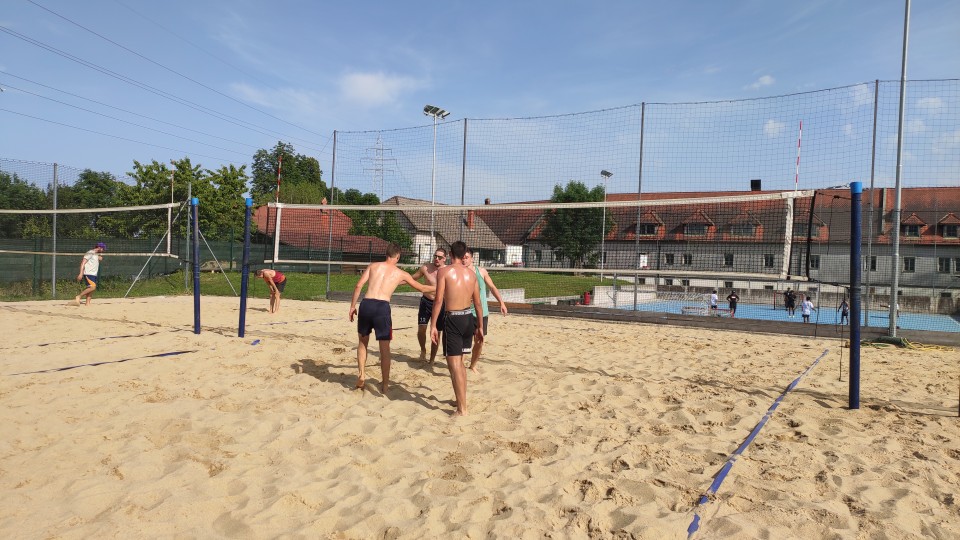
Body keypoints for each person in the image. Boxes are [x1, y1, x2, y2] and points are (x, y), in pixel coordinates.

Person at [349, 243, 435, 393]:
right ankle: (385, 385)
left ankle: (362, 374)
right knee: (385, 349)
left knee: (362, 343)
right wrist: (441, 287)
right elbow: (422, 288)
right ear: (398, 256)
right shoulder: (400, 273)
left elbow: (358, 286)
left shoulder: (373, 266)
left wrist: (352, 306)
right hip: (382, 307)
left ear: (386, 254)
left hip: (366, 304)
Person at [431, 241, 484, 417]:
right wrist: (480, 327)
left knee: (454, 366)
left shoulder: (444, 272)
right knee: (459, 364)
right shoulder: (472, 274)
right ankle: (460, 401)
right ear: (463, 256)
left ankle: (462, 409)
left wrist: (433, 325)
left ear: (451, 254)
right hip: (469, 319)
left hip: (453, 319)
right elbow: (477, 303)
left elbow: (438, 300)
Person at [462, 248, 508, 374]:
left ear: (472, 258)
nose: (464, 259)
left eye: (466, 257)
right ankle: (460, 367)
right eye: (462, 257)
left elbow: (492, 287)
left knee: (479, 341)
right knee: (465, 342)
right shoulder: (459, 272)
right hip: (465, 311)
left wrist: (501, 303)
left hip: (481, 312)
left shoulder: (481, 271)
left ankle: (473, 365)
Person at [411, 247, 447, 364]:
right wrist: (396, 281)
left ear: (444, 259)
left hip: (441, 304)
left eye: (439, 257)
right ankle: (423, 351)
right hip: (426, 301)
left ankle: (431, 359)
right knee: (422, 329)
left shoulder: (448, 271)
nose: (436, 259)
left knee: (437, 332)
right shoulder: (426, 268)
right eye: (435, 256)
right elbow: (412, 278)